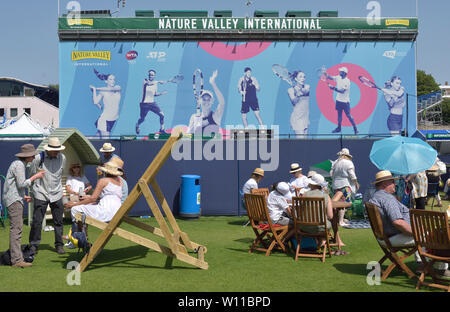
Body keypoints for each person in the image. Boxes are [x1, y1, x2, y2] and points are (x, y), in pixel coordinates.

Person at [368, 170, 423, 270]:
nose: (395, 184)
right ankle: (438, 268)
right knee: (434, 237)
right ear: (385, 183)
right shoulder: (388, 199)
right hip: (397, 235)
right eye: (393, 181)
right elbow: (398, 222)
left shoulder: (375, 197)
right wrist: (417, 232)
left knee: (428, 234)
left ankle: (421, 263)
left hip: (386, 236)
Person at [3, 144, 45, 268]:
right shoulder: (19, 165)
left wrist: (23, 197)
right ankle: (16, 260)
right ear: (28, 156)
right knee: (16, 230)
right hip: (14, 201)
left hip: (14, 199)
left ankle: (15, 257)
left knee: (16, 229)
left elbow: (14, 185)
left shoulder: (17, 164)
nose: (34, 158)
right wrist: (35, 177)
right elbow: (22, 184)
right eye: (33, 155)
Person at [28, 137, 66, 255]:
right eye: (55, 150)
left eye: (59, 149)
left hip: (57, 193)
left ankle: (59, 245)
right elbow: (32, 175)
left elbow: (60, 174)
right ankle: (33, 246)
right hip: (41, 193)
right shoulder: (38, 158)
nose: (57, 152)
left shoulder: (63, 158)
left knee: (59, 221)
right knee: (37, 221)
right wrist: (33, 192)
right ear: (48, 149)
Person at [64, 161, 124, 231]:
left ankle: (78, 236)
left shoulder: (103, 180)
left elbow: (93, 198)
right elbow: (108, 195)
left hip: (105, 212)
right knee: (84, 210)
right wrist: (89, 196)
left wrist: (73, 205)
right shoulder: (120, 182)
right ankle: (82, 235)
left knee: (75, 209)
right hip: (117, 212)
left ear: (106, 171)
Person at [302, 174, 341, 248]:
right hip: (320, 227)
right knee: (328, 223)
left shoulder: (304, 194)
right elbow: (330, 216)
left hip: (303, 226)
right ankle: (322, 239)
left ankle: (319, 240)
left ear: (312, 184)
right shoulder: (326, 196)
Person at [187, 70, 225, 136]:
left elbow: (222, 103)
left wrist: (213, 83)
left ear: (212, 101)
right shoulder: (194, 117)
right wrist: (193, 128)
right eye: (204, 99)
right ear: (200, 101)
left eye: (208, 99)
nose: (206, 102)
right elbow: (188, 137)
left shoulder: (215, 116)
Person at [135, 69, 171, 135]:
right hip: (144, 104)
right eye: (150, 75)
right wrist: (159, 81)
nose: (150, 76)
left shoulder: (155, 84)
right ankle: (137, 124)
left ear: (154, 76)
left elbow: (155, 94)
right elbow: (149, 84)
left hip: (152, 103)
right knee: (142, 119)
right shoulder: (145, 80)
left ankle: (162, 129)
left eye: (152, 75)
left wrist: (161, 93)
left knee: (162, 115)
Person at [330, 148, 359, 226]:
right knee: (344, 203)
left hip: (335, 185)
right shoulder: (348, 162)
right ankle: (341, 221)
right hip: (345, 184)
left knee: (338, 203)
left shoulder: (335, 162)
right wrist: (356, 183)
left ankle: (339, 220)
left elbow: (331, 174)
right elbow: (352, 175)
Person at [326, 67, 358, 135]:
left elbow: (342, 91)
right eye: (339, 71)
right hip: (338, 100)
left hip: (345, 102)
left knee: (348, 115)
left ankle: (355, 128)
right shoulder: (338, 77)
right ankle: (339, 128)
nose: (339, 72)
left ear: (344, 73)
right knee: (339, 115)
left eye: (341, 71)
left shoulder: (347, 81)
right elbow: (330, 77)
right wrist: (325, 74)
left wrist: (333, 88)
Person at [90, 69, 121, 138]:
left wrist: (96, 88)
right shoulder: (103, 92)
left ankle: (84, 141)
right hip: (104, 120)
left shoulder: (118, 88)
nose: (113, 81)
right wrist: (94, 91)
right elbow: (95, 102)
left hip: (113, 120)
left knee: (95, 138)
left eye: (113, 79)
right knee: (106, 142)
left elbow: (109, 89)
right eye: (110, 79)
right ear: (106, 81)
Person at [287, 70, 310, 135]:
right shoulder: (290, 90)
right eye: (300, 77)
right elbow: (293, 102)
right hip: (297, 118)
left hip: (305, 118)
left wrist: (300, 91)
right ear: (296, 79)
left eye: (304, 77)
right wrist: (297, 95)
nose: (303, 79)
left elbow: (306, 91)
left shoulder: (307, 86)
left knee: (304, 143)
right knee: (301, 143)